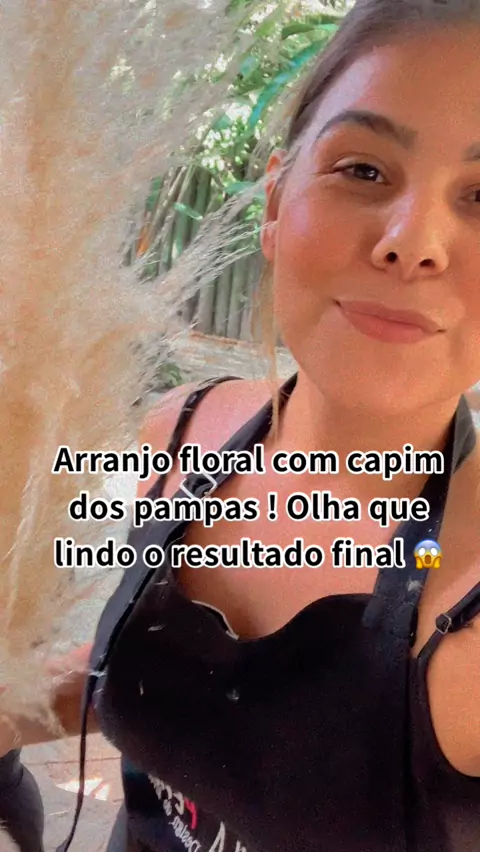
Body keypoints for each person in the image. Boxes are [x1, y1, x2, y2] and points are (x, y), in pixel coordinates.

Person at [2, 0, 480, 849]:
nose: (414, 242)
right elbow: (158, 689)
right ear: (275, 200)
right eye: (364, 170)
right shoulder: (183, 430)